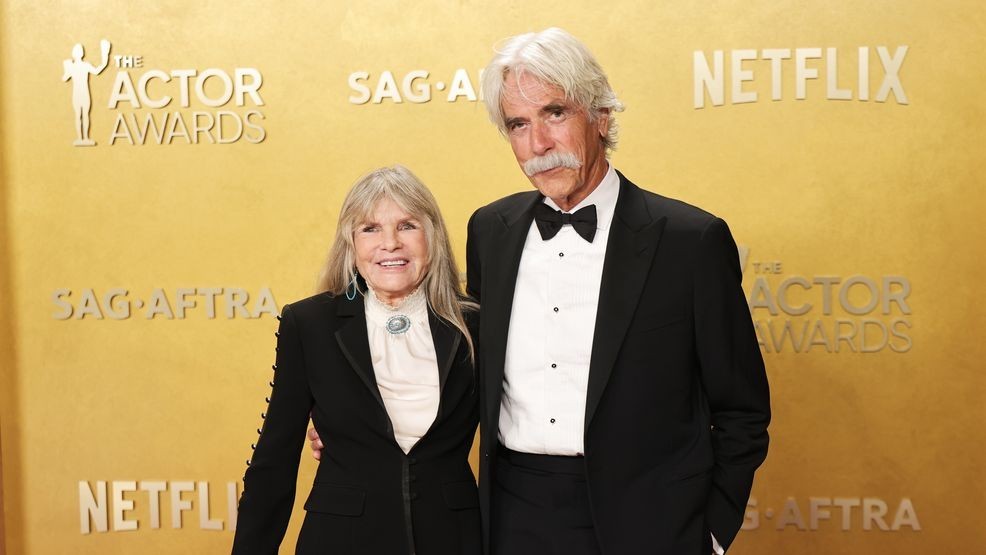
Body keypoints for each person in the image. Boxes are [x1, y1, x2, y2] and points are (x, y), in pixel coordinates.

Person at [312, 28, 770, 555]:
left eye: (555, 113)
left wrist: (710, 533)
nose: (539, 144)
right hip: (511, 515)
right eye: (518, 124)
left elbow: (742, 410)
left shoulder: (690, 241)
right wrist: (354, 417)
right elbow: (459, 363)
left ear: (601, 116)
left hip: (652, 521)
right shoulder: (491, 230)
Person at [233, 165, 481, 555]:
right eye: (370, 229)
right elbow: (274, 459)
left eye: (407, 226)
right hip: (341, 539)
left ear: (432, 235)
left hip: (452, 537)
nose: (390, 243)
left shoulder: (476, 324)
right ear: (350, 242)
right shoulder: (310, 323)